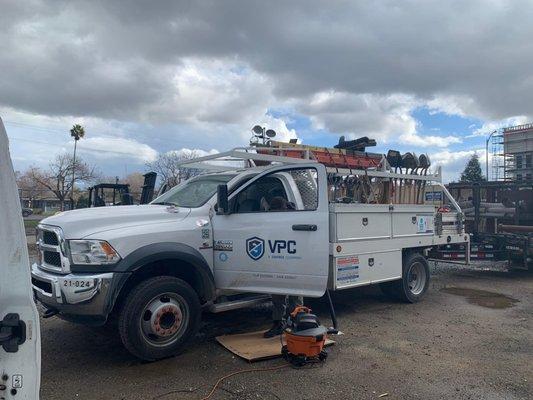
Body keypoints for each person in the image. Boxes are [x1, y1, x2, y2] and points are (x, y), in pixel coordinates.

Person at [263, 195, 303, 338]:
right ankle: (279, 323)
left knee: (295, 295)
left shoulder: (295, 218)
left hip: (292, 260)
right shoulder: (272, 220)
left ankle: (297, 323)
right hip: (279, 259)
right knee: (278, 295)